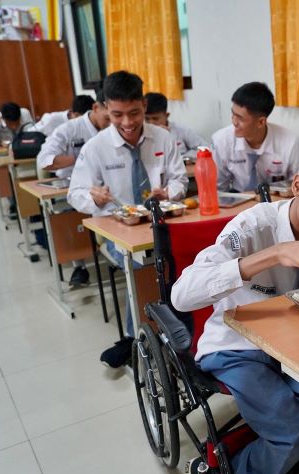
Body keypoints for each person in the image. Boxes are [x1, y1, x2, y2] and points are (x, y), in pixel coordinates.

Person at [171, 139, 299, 474]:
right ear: (298, 185)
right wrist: (274, 254)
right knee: (295, 431)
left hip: (297, 344)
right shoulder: (252, 228)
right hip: (236, 348)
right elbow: (181, 295)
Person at [67, 70, 188, 367]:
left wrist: (168, 192)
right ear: (105, 108)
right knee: (145, 264)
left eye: (134, 113)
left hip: (160, 224)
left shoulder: (163, 138)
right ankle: (139, 339)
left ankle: (183, 329)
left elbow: (180, 180)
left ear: (144, 105)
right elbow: (75, 193)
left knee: (185, 257)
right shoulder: (96, 148)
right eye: (117, 114)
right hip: (114, 233)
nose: (127, 123)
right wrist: (91, 197)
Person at [37, 89, 110, 286]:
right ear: (96, 108)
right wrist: (80, 159)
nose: (113, 123)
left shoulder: (117, 128)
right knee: (73, 212)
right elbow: (44, 160)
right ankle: (80, 265)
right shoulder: (69, 130)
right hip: (75, 183)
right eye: (108, 117)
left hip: (108, 186)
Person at [212, 82, 299, 192]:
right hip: (239, 201)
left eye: (240, 118)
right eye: (233, 114)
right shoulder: (222, 140)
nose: (234, 122)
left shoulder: (289, 142)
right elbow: (218, 189)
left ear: (261, 122)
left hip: (277, 202)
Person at [144, 91, 208, 159]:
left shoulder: (181, 130)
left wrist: (186, 157)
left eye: (155, 119)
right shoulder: (141, 135)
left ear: (166, 116)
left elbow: (205, 148)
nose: (151, 123)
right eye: (147, 119)